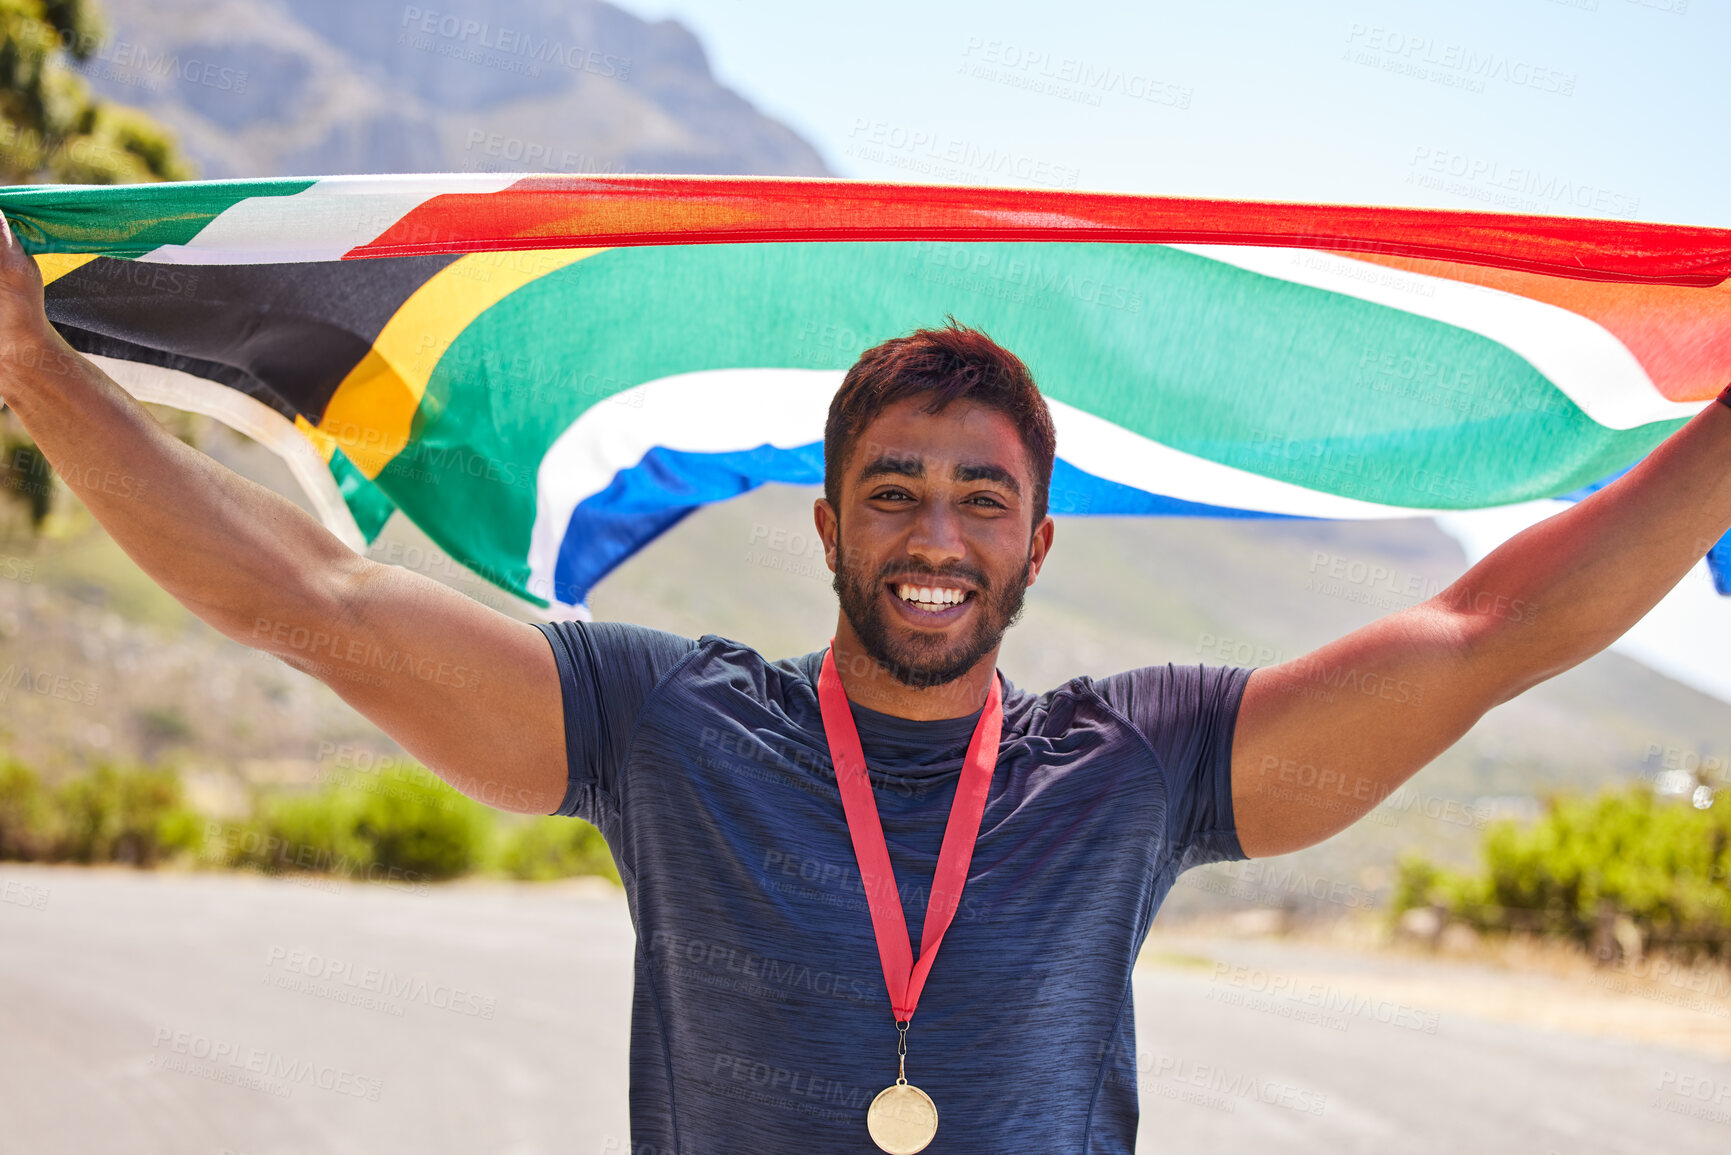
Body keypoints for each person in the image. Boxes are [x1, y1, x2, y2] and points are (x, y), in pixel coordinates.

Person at [1, 207, 1728, 1154]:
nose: (937, 533)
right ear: (825, 524)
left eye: (986, 499)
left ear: (1040, 547)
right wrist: (37, 368)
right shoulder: (665, 727)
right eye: (895, 490)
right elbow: (306, 597)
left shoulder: (1140, 764)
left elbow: (1488, 633)